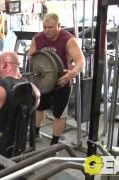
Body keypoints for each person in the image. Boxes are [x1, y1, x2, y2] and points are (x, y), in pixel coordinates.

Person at [27, 13, 84, 145]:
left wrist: (72, 74)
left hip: (62, 83)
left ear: (59, 26)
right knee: (38, 108)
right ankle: (35, 133)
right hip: (42, 81)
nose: (46, 30)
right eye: (45, 27)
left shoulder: (68, 39)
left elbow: (81, 61)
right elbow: (31, 56)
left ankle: (54, 143)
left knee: (59, 115)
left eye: (50, 27)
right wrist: (31, 59)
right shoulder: (38, 38)